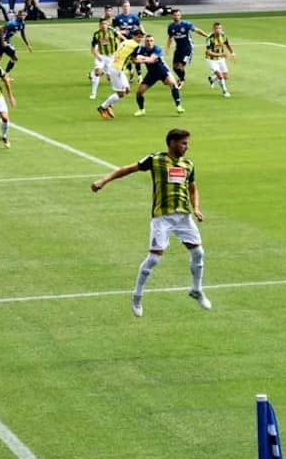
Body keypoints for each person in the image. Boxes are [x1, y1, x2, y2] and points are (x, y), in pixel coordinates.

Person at [90, 128, 211, 318]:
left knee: (198, 253)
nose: (187, 147)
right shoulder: (155, 160)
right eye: (183, 143)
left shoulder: (188, 164)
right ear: (172, 143)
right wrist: (103, 181)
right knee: (154, 258)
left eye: (187, 143)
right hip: (162, 217)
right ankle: (137, 296)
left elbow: (193, 188)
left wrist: (196, 208)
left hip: (183, 217)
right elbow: (127, 169)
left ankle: (196, 289)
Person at [96, 28, 144, 119]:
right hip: (117, 69)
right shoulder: (136, 46)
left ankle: (109, 105)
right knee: (121, 93)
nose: (140, 39)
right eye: (139, 37)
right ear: (134, 36)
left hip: (116, 66)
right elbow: (134, 60)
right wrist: (146, 61)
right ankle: (102, 107)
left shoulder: (126, 42)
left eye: (142, 37)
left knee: (127, 90)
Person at [133, 32, 184, 116]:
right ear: (144, 42)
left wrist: (140, 58)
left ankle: (179, 106)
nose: (149, 43)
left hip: (162, 71)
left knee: (173, 84)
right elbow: (134, 60)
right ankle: (141, 110)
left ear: (154, 41)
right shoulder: (141, 49)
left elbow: (151, 60)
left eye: (151, 41)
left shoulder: (157, 48)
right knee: (139, 92)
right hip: (151, 73)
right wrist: (140, 59)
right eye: (147, 41)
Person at [166, 8, 207, 85]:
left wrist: (207, 36)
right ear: (172, 16)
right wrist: (167, 48)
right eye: (175, 15)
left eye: (178, 15)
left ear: (180, 16)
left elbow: (197, 30)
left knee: (180, 66)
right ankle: (181, 78)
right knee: (175, 67)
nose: (177, 16)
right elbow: (170, 37)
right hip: (178, 49)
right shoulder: (171, 26)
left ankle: (181, 80)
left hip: (188, 48)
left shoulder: (186, 24)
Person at [89, 17, 122, 101]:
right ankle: (93, 93)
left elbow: (120, 38)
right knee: (98, 73)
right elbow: (92, 48)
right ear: (99, 25)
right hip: (101, 56)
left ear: (108, 24)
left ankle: (93, 74)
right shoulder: (97, 34)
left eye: (105, 24)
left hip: (111, 56)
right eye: (102, 24)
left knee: (110, 77)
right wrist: (97, 56)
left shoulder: (112, 31)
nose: (104, 26)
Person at [204, 22, 235, 97]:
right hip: (211, 60)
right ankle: (225, 91)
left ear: (222, 29)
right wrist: (221, 54)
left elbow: (227, 44)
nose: (218, 30)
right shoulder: (209, 38)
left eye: (219, 28)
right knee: (220, 75)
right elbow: (208, 52)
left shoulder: (223, 35)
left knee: (225, 76)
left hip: (221, 59)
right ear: (213, 29)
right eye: (216, 28)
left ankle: (212, 79)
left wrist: (233, 53)